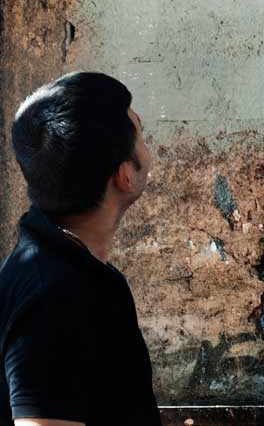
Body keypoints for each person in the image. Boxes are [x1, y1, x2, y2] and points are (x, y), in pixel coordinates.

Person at [0, 72, 161, 426]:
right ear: (124, 175)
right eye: (142, 133)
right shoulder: (52, 297)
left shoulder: (69, 271)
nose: (148, 149)